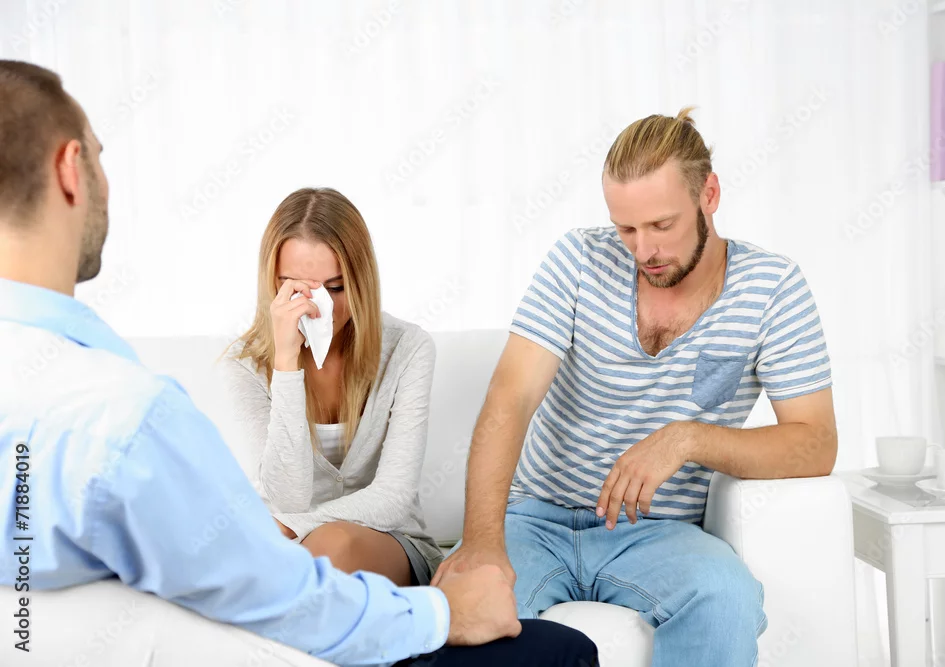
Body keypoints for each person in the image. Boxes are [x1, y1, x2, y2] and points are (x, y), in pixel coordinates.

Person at [0, 59, 598, 667]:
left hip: (342, 558)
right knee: (565, 652)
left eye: (335, 288)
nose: (318, 306)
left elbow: (293, 543)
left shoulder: (98, 405)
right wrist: (444, 615)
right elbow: (262, 580)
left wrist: (285, 529)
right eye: (101, 157)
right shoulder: (128, 415)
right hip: (300, 591)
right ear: (71, 170)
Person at [433, 108, 838, 666]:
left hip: (657, 533)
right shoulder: (578, 259)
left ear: (709, 194)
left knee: (726, 597)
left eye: (662, 226)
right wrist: (482, 543)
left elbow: (816, 443)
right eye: (626, 229)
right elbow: (511, 398)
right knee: (464, 617)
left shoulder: (773, 288)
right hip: (536, 519)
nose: (644, 250)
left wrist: (687, 438)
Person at [218, 187, 443, 588]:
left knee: (334, 545)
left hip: (388, 544)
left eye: (335, 288)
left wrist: (292, 525)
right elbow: (287, 497)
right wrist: (287, 364)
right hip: (291, 555)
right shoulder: (245, 365)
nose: (317, 308)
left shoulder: (407, 348)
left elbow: (393, 498)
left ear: (360, 281)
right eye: (297, 289)